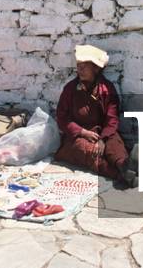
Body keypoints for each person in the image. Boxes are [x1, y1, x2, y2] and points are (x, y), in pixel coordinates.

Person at [55, 44, 134, 187]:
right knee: (89, 150)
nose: (80, 69)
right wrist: (82, 132)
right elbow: (62, 118)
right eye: (79, 65)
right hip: (77, 135)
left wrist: (103, 139)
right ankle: (120, 175)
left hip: (102, 132)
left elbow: (112, 119)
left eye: (85, 66)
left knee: (114, 144)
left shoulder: (107, 89)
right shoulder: (70, 89)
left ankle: (124, 165)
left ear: (96, 69)